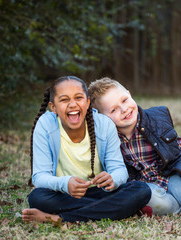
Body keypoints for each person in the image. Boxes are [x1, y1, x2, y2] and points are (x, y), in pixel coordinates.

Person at [88, 77, 181, 216]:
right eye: (113, 110)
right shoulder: (108, 139)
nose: (124, 109)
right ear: (103, 118)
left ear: (129, 94)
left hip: (171, 174)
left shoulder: (157, 118)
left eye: (124, 100)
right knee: (157, 205)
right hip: (146, 186)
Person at [22, 76, 151, 223]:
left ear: (88, 102)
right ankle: (116, 210)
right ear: (53, 107)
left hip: (101, 192)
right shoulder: (45, 125)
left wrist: (112, 179)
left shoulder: (104, 125)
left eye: (79, 97)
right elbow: (39, 177)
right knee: (37, 197)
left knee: (141, 190)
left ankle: (60, 218)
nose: (72, 104)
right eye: (64, 100)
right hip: (64, 194)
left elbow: (119, 170)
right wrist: (65, 183)